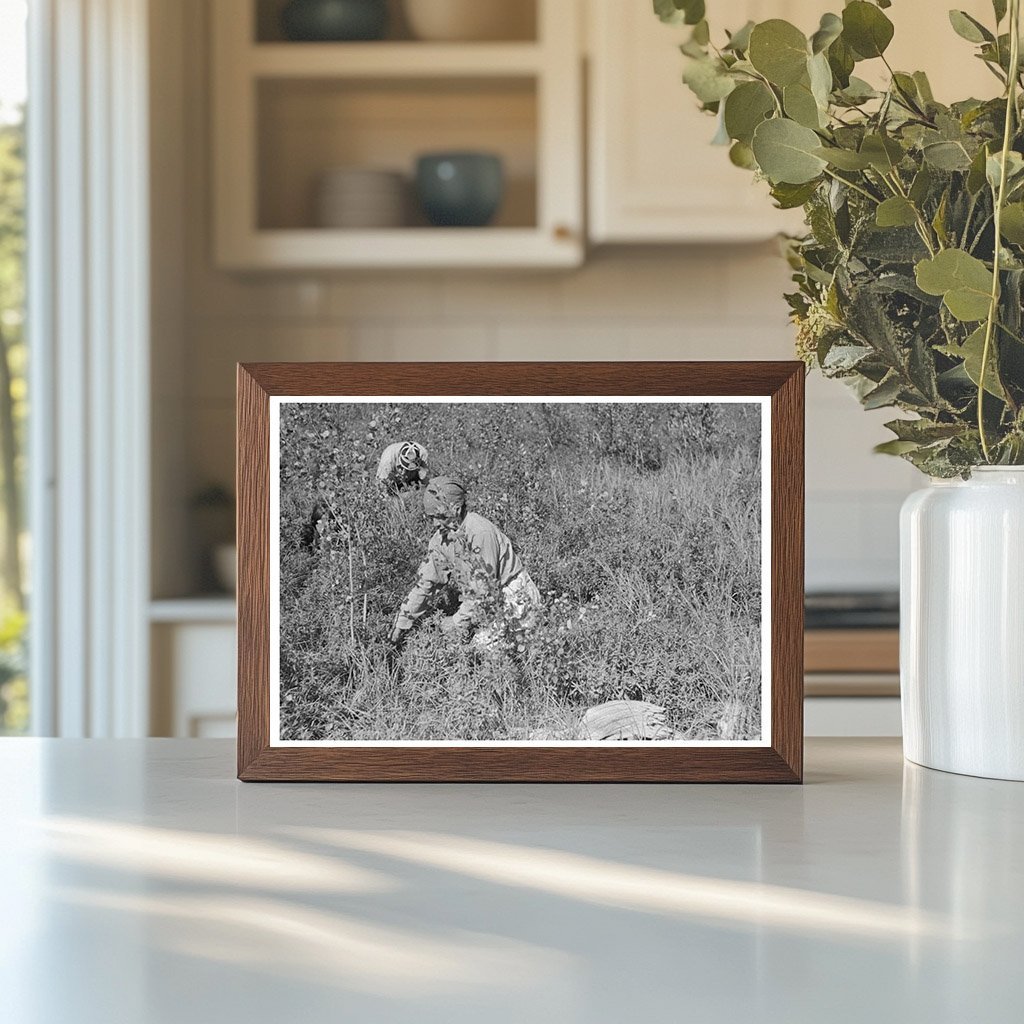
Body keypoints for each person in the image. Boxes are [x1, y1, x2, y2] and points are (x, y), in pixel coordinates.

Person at [390, 477, 541, 649]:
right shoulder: (441, 539)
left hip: (514, 594)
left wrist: (456, 621)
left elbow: (483, 590)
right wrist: (402, 620)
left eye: (440, 516)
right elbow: (426, 582)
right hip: (486, 602)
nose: (434, 523)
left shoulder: (479, 532)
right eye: (431, 517)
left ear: (456, 508)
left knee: (479, 651)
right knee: (461, 646)